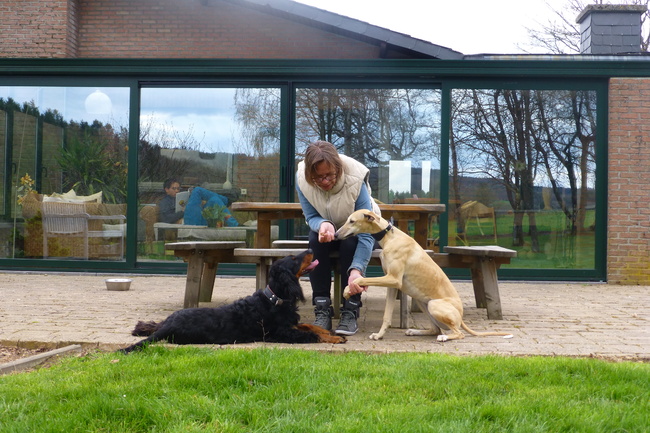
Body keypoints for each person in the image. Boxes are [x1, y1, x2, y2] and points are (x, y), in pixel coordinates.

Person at [296, 141, 381, 335]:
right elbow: (311, 216)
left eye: (330, 175)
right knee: (315, 241)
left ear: (338, 168)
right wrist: (323, 225)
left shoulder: (355, 178)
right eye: (318, 177)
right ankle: (322, 308)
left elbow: (366, 231)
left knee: (349, 243)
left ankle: (350, 309)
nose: (325, 181)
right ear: (309, 174)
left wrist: (357, 270)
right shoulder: (301, 179)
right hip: (330, 231)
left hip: (359, 231)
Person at [158, 178, 238, 227]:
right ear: (166, 189)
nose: (177, 191)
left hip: (200, 218)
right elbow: (166, 219)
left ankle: (234, 224)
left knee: (215, 200)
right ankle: (226, 200)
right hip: (188, 221)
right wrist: (182, 212)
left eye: (178, 188)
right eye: (174, 188)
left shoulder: (182, 197)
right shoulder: (164, 202)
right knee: (197, 190)